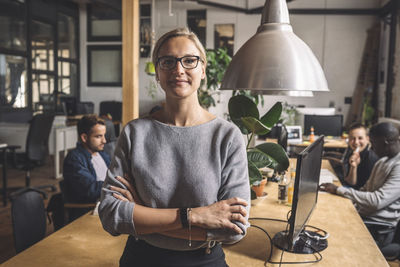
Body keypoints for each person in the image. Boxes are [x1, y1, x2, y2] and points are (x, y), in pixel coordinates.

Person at [99, 28, 250, 267]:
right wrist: (195, 216)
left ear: (203, 69)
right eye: (167, 61)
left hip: (205, 261)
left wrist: (141, 215)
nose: (178, 69)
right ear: (157, 73)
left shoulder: (227, 136)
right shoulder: (134, 133)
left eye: (189, 61)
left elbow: (235, 230)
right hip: (141, 259)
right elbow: (110, 215)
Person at [321, 122, 400, 248]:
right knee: (326, 217)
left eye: (373, 143)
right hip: (364, 216)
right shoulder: (382, 162)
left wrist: (339, 190)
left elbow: (377, 201)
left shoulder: (397, 166)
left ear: (385, 142)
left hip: (377, 227)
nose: (372, 148)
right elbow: (365, 190)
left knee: (332, 236)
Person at [63, 115, 110, 219]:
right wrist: (117, 185)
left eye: (104, 135)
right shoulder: (74, 159)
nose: (104, 141)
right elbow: (91, 190)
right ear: (84, 137)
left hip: (107, 202)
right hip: (90, 210)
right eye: (98, 136)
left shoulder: (102, 154)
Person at [341, 123, 378, 189]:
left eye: (360, 138)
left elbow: (364, 189)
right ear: (348, 140)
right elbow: (351, 183)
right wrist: (353, 167)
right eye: (352, 138)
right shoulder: (353, 152)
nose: (356, 142)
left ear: (367, 139)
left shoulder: (371, 159)